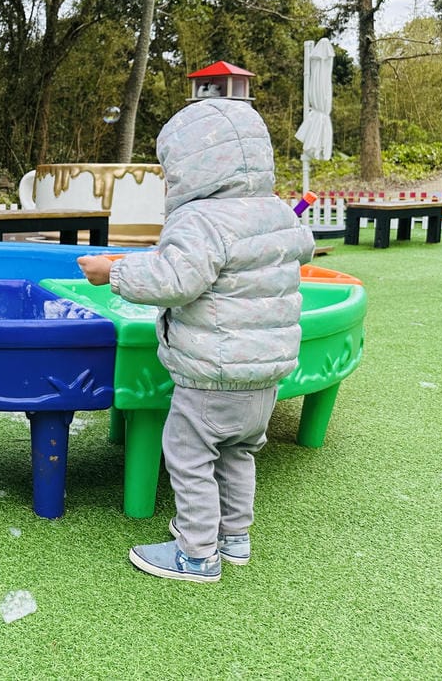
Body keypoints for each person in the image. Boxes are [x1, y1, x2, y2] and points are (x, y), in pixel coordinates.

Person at [78, 97, 315, 582]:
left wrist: (113, 273)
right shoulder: (275, 212)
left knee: (189, 457)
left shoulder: (200, 218)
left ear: (190, 166)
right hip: (265, 372)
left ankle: (196, 552)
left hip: (213, 373)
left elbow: (174, 282)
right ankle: (234, 537)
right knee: (239, 453)